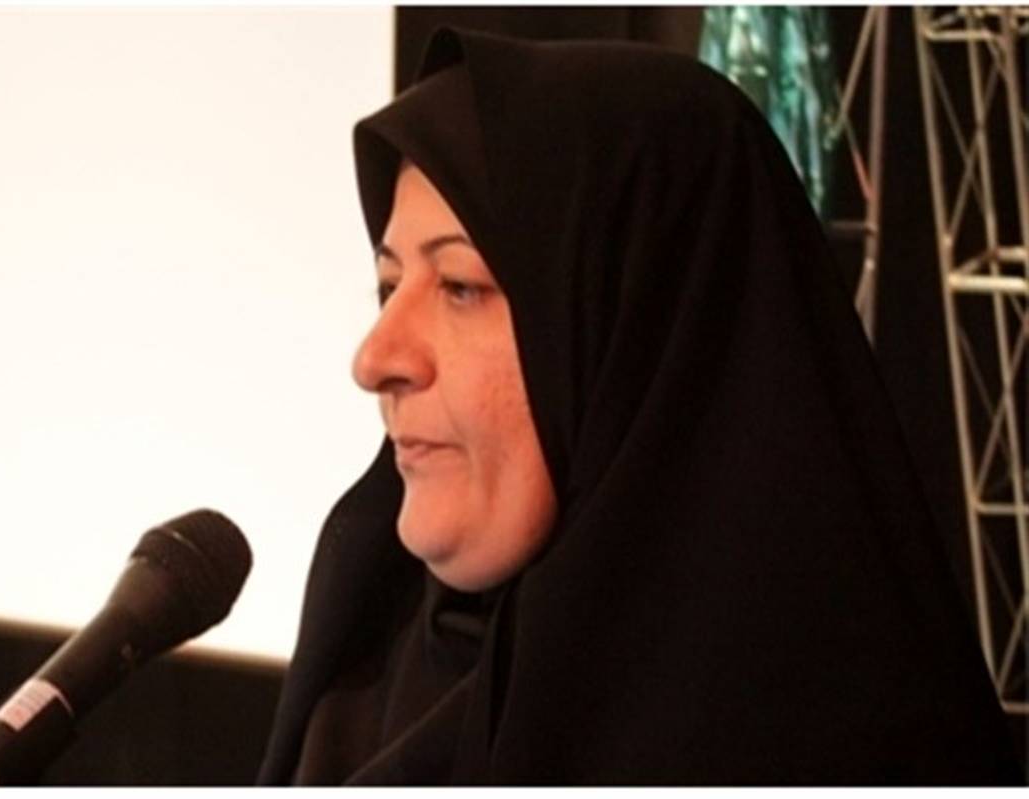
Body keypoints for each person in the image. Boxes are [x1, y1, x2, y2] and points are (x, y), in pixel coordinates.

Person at [257, 27, 1021, 785]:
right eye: (389, 286)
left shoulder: (837, 743)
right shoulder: (369, 668)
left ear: (641, 323)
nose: (375, 358)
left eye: (461, 287)